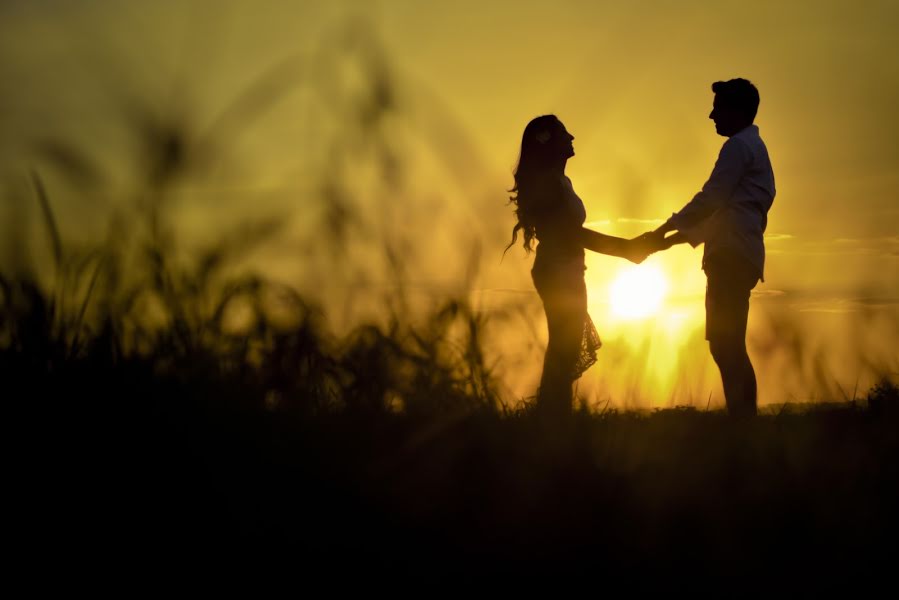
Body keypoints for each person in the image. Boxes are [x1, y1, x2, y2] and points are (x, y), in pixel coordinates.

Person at [643, 78, 775, 417]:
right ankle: (741, 424)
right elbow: (720, 212)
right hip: (736, 253)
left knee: (727, 346)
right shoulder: (752, 147)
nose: (711, 115)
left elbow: (711, 199)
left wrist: (661, 232)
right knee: (724, 345)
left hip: (731, 256)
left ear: (736, 110)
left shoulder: (738, 147)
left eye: (718, 108)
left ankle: (742, 426)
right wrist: (665, 241)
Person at [506, 114, 648, 418]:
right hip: (557, 270)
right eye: (564, 134)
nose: (572, 138)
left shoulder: (560, 181)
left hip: (568, 269)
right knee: (563, 347)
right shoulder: (549, 184)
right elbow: (572, 233)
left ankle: (554, 417)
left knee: (565, 348)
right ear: (549, 143)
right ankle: (552, 419)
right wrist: (626, 248)